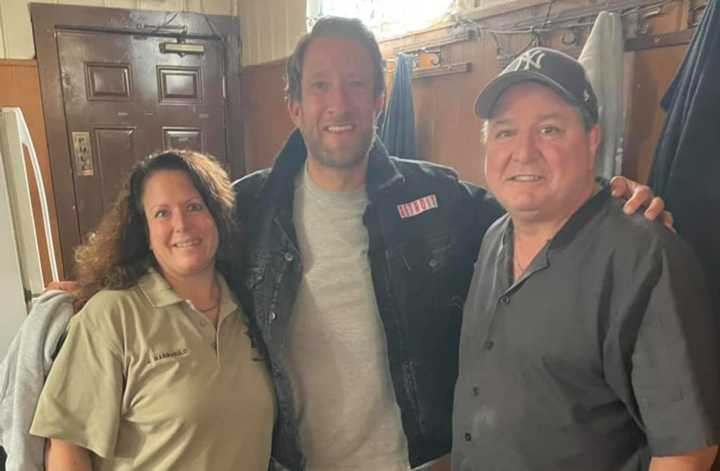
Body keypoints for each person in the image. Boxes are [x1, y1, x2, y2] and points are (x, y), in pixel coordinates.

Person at [232, 17, 669, 471]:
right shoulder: (248, 210)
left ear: (380, 100)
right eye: (320, 85)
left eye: (356, 84)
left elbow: (543, 212)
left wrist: (609, 199)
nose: (339, 103)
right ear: (295, 106)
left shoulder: (440, 198)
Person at [452, 47, 720, 471]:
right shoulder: (493, 238)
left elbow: (687, 452)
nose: (523, 152)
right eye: (505, 132)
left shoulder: (645, 256)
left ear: (592, 138)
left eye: (550, 130)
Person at [30, 150, 275, 471]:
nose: (181, 225)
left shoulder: (249, 306)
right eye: (162, 213)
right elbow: (66, 450)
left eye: (194, 207)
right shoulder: (111, 316)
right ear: (145, 232)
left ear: (218, 216)